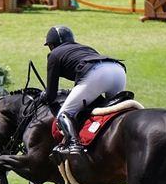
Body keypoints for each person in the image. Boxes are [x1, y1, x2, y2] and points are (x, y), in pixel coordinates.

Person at [40, 26, 126, 156]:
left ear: (52, 45)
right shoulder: (85, 48)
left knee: (65, 113)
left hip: (96, 74)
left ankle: (74, 144)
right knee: (114, 112)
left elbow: (51, 95)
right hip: (117, 70)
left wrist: (44, 96)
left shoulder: (54, 54)